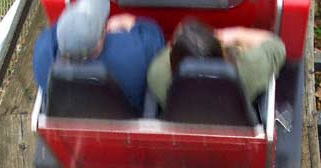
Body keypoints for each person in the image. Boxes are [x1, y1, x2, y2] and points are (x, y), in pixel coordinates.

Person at [33, 0, 165, 112]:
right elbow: (156, 38)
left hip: (79, 122)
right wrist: (128, 21)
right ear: (102, 38)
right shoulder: (135, 54)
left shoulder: (42, 54)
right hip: (126, 120)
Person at [147, 20, 286, 110]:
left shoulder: (158, 74)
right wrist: (236, 34)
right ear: (222, 52)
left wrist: (180, 40)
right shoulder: (248, 69)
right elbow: (276, 46)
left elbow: (168, 53)